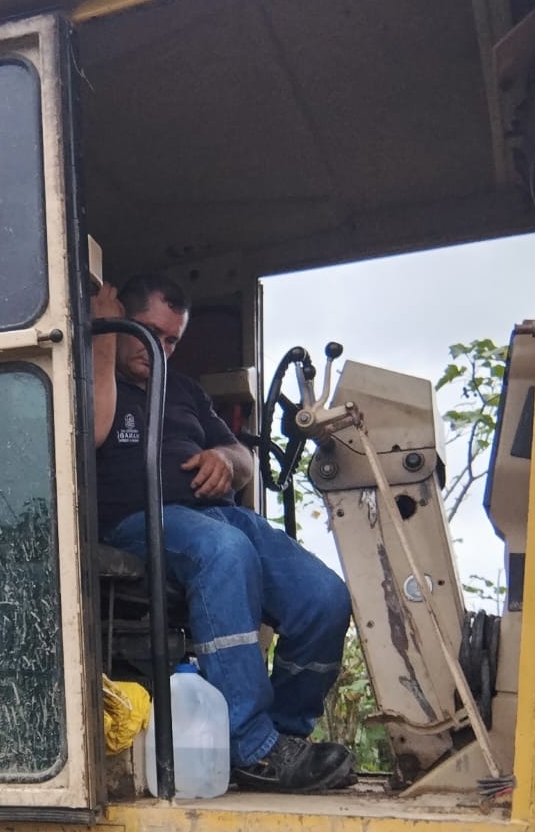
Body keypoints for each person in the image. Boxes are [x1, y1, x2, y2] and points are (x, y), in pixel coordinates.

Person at [92, 274, 355, 792]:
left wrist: (225, 461)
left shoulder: (184, 389)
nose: (159, 348)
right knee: (224, 551)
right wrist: (100, 339)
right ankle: (248, 743)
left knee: (324, 596)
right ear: (120, 319)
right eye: (147, 332)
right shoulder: (87, 376)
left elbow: (243, 457)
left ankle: (281, 738)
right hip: (133, 521)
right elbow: (95, 429)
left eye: (171, 340)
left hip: (217, 516)